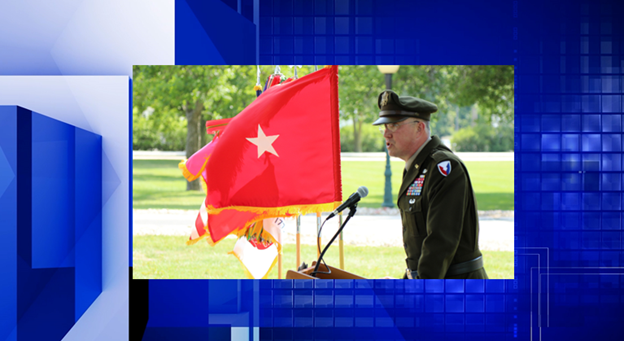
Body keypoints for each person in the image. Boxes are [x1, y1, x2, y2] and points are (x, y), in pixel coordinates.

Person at [372, 90, 488, 279]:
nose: (386, 133)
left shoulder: (444, 168)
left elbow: (439, 243)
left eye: (393, 125)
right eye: (384, 126)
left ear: (419, 128)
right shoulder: (417, 167)